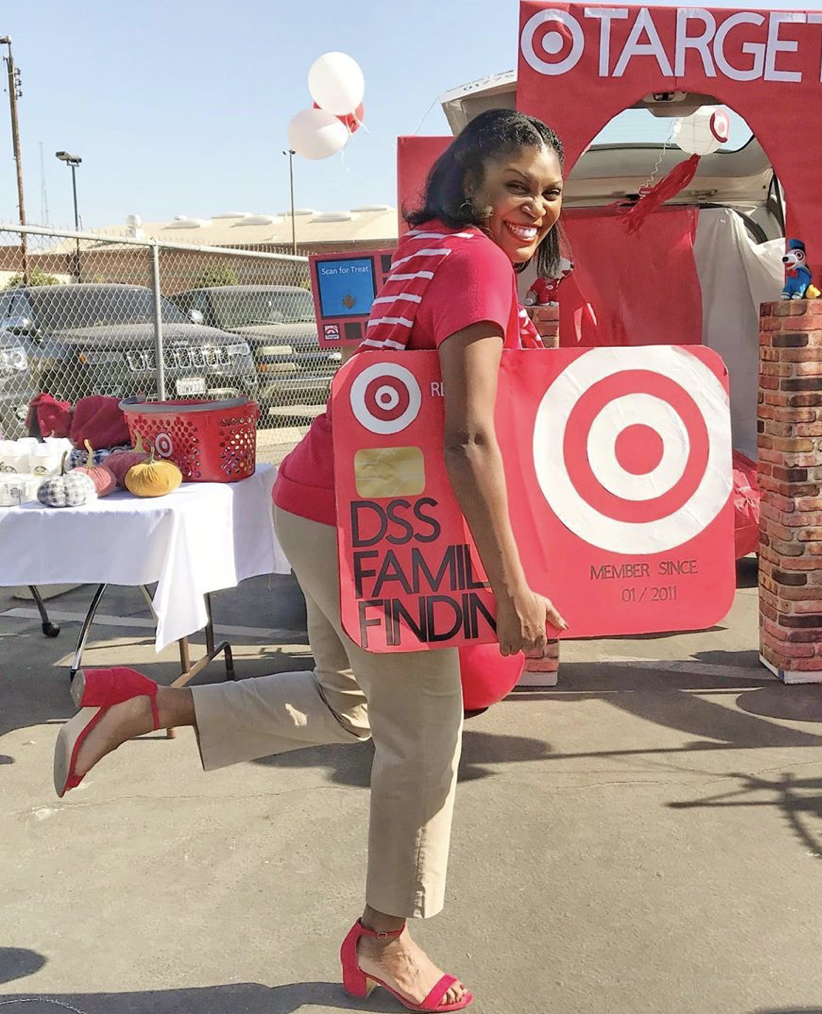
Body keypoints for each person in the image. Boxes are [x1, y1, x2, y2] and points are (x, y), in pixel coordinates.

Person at [53, 108, 568, 1013]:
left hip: (327, 506)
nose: (536, 206)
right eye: (517, 185)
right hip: (373, 522)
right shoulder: (478, 263)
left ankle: (145, 707)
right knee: (425, 737)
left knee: (351, 704)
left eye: (551, 192)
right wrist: (512, 586)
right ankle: (384, 941)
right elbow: (471, 438)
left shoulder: (430, 251)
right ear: (471, 186)